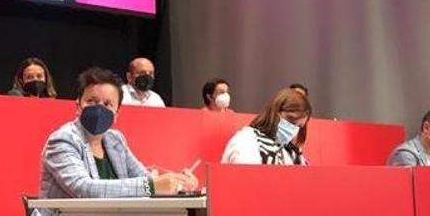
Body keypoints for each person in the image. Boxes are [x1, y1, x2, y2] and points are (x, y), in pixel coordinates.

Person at [34, 68, 197, 215]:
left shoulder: (115, 140)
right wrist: (153, 185)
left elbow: (143, 176)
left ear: (117, 113)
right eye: (91, 101)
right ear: (78, 105)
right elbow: (84, 189)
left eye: (107, 104)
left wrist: (179, 183)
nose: (99, 108)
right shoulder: (63, 139)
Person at [221, 88, 311, 165]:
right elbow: (249, 179)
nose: (293, 129)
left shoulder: (292, 152)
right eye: (290, 120)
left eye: (299, 126)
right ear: (274, 112)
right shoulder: (248, 140)